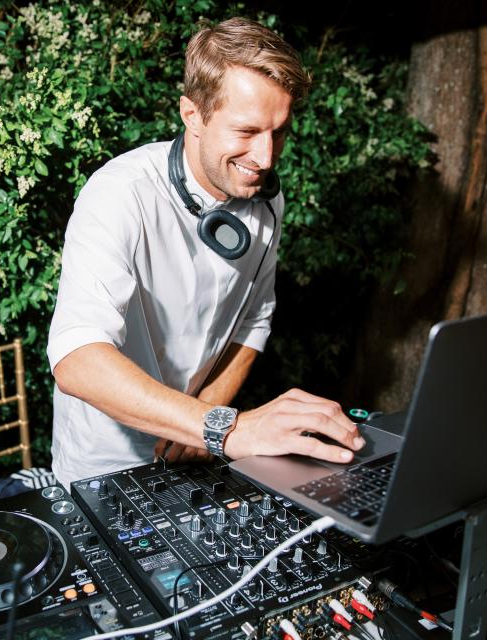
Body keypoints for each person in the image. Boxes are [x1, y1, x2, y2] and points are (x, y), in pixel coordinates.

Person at [46, 17, 364, 490]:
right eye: (247, 131)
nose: (265, 158)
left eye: (279, 132)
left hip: (195, 451)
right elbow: (76, 356)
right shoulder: (119, 193)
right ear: (192, 114)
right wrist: (227, 427)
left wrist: (207, 420)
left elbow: (254, 320)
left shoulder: (267, 199)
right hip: (104, 467)